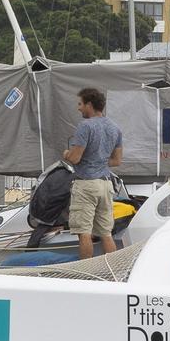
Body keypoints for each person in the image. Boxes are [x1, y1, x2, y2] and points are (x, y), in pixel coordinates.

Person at [63, 86, 123, 259]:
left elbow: (75, 158)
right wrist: (99, 161)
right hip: (106, 184)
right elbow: (117, 160)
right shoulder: (115, 128)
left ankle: (86, 277)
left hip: (86, 184)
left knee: (84, 232)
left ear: (89, 104)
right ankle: (112, 271)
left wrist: (66, 154)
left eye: (80, 104)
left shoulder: (85, 126)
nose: (78, 107)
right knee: (106, 233)